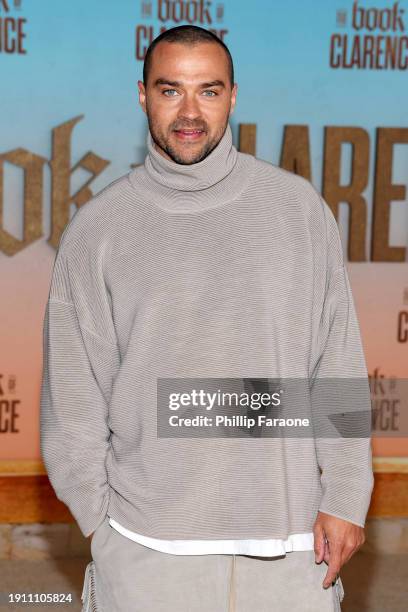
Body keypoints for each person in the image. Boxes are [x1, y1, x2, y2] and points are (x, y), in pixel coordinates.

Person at [40, 24, 374, 612]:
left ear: (234, 96)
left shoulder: (299, 210)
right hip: (147, 549)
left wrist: (347, 497)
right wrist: (102, 525)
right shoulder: (100, 229)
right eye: (171, 91)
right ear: (142, 95)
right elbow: (74, 397)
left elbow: (335, 363)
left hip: (293, 552)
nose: (189, 112)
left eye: (209, 91)